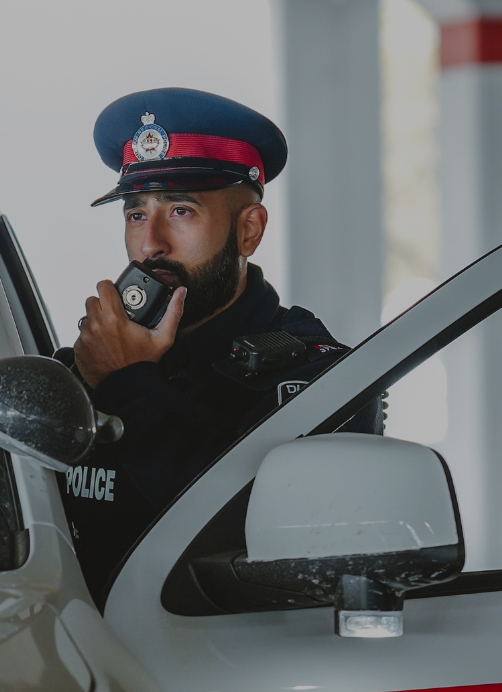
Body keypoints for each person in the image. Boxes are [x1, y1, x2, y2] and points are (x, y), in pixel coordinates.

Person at [55, 88, 378, 603]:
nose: (150, 243)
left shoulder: (319, 378)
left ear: (248, 230)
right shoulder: (84, 363)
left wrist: (129, 386)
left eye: (180, 211)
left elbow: (251, 539)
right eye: (136, 214)